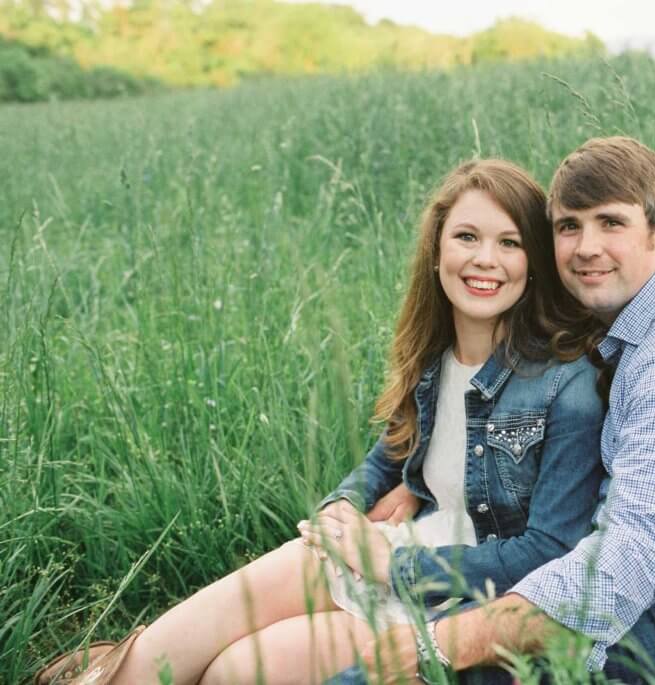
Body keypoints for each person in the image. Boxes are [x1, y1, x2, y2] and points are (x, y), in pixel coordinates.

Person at [33, 159, 608, 685]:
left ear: (533, 263)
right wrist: (341, 507)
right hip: (388, 554)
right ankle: (96, 676)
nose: (486, 259)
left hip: (456, 600)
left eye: (509, 242)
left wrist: (395, 564)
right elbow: (392, 450)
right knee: (190, 635)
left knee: (235, 672)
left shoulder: (566, 384)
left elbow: (550, 551)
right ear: (436, 252)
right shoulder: (435, 358)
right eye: (467, 237)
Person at [335, 137, 655, 684]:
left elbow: (627, 563)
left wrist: (444, 641)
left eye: (611, 223)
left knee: (464, 666)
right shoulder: (624, 327)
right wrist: (415, 480)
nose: (586, 246)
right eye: (569, 226)